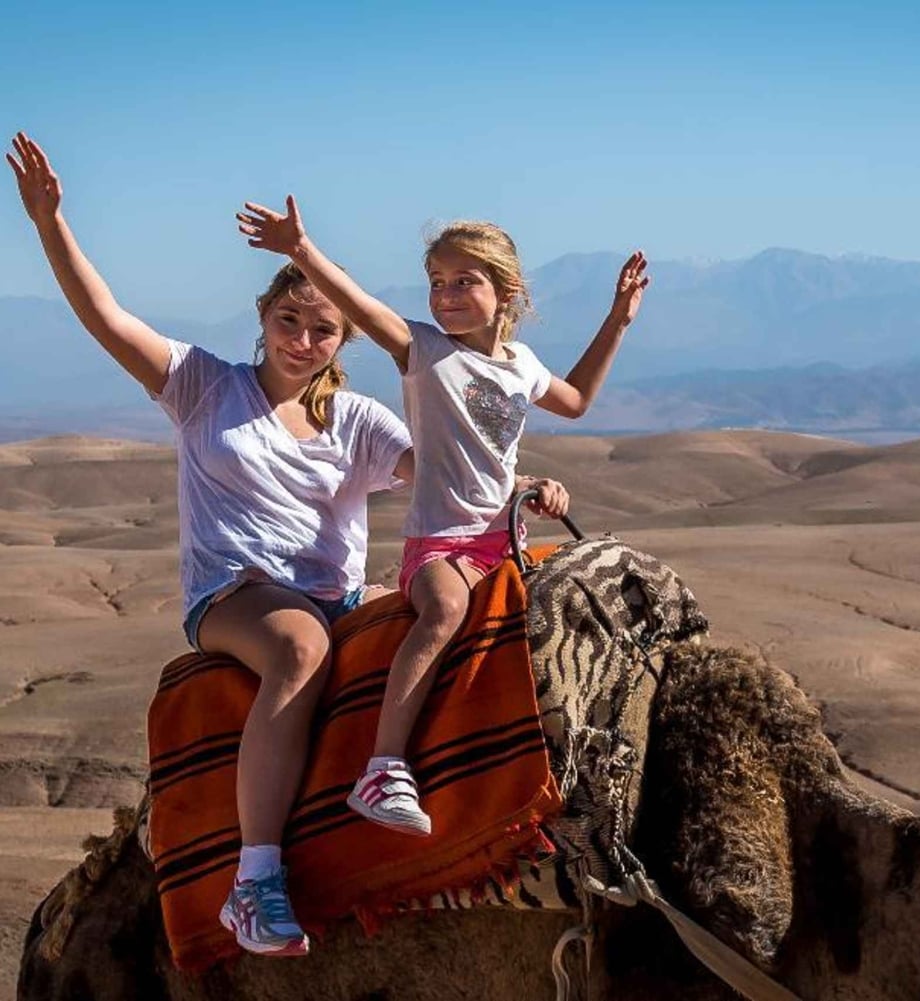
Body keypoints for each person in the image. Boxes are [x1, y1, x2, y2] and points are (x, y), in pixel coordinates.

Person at [7, 132, 568, 957]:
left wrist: (524, 488)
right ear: (263, 321)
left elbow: (452, 468)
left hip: (340, 594)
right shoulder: (204, 386)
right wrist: (49, 223)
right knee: (300, 647)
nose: (304, 339)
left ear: (342, 343)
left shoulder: (359, 420)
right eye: (289, 321)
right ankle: (254, 879)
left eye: (323, 329)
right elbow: (107, 317)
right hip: (236, 592)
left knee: (463, 614)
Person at [237, 195, 647, 838]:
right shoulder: (423, 351)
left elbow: (576, 401)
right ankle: (384, 767)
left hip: (502, 538)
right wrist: (299, 251)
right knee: (446, 610)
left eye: (464, 281)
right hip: (439, 545)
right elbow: (361, 303)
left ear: (506, 291)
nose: (447, 295)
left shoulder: (522, 365)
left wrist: (618, 319)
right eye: (436, 282)